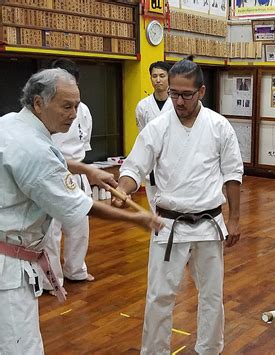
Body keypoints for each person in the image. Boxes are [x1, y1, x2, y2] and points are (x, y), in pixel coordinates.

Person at [0, 68, 163, 354]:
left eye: (76, 105)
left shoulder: (11, 124)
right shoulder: (33, 148)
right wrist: (137, 218)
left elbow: (46, 154)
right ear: (39, 103)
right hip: (8, 268)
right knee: (19, 347)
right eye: (66, 106)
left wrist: (84, 168)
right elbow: (81, 206)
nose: (74, 113)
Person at [113, 57, 243, 354]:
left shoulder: (218, 126)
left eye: (186, 94)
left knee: (212, 295)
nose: (178, 100)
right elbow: (135, 167)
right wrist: (123, 188)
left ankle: (209, 349)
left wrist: (234, 219)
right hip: (168, 224)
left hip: (209, 224)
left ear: (201, 91)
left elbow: (233, 173)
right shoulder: (158, 127)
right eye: (173, 93)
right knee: (159, 296)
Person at [41, 58, 97, 296]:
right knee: (51, 230)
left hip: (77, 172)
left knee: (79, 225)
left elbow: (84, 143)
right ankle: (51, 279)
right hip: (51, 171)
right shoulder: (43, 107)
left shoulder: (83, 110)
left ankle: (76, 269)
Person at [135, 61, 173, 210]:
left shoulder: (177, 104)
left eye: (162, 76)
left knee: (171, 207)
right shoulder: (142, 106)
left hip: (173, 160)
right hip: (152, 162)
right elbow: (143, 136)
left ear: (169, 78)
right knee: (154, 208)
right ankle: (157, 233)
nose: (158, 80)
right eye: (154, 76)